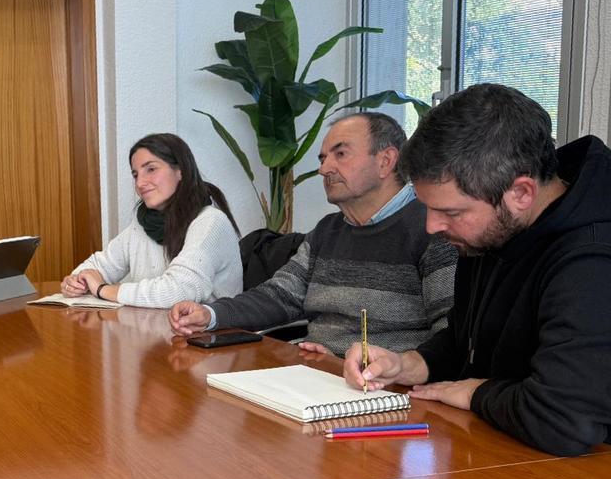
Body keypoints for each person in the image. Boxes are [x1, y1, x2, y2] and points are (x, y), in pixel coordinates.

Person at [343, 84, 611, 456]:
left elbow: (564, 419)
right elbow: (465, 341)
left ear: (521, 193)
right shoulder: (492, 229)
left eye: (451, 212)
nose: (432, 227)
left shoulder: (593, 260)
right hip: (496, 452)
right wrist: (406, 365)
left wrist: (473, 391)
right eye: (429, 209)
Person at [170, 113, 457, 356]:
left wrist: (394, 367)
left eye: (340, 154)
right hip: (317, 370)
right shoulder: (328, 230)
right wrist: (211, 315)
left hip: (386, 388)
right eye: (323, 158)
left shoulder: (434, 228)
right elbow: (280, 295)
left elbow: (450, 333)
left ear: (386, 161)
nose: (324, 168)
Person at [62, 133, 242, 308]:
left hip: (206, 336)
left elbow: (179, 291)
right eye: (135, 174)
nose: (140, 183)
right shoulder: (143, 225)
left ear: (181, 171)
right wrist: (77, 281)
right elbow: (99, 265)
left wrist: (103, 289)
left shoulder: (211, 222)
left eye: (151, 169)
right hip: (155, 331)